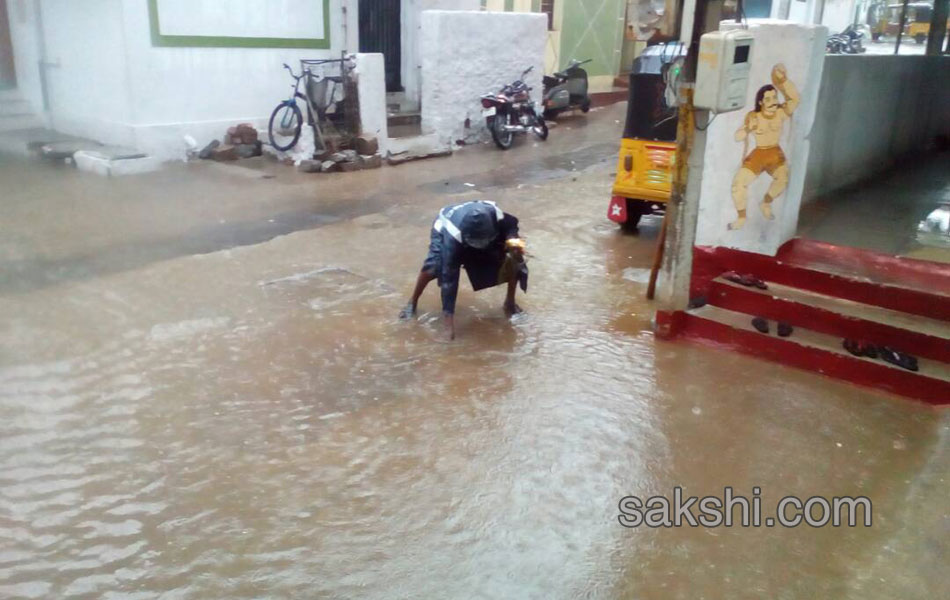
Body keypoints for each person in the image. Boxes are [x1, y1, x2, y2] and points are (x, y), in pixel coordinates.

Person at [399, 200, 527, 340]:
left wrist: (512, 240)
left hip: (482, 233)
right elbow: (449, 280)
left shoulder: (498, 218)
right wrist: (448, 329)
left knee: (513, 259)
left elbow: (512, 225)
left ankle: (509, 303)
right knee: (434, 267)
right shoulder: (452, 237)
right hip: (446, 227)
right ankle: (413, 301)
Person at [729, 63, 799, 231]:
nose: (773, 102)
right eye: (768, 99)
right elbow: (738, 137)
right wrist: (747, 128)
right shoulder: (754, 116)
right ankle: (741, 217)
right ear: (760, 102)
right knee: (738, 184)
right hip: (758, 154)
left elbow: (794, 99)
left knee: (783, 179)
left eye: (774, 97)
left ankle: (766, 202)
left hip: (775, 153)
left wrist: (784, 81)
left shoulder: (781, 112)